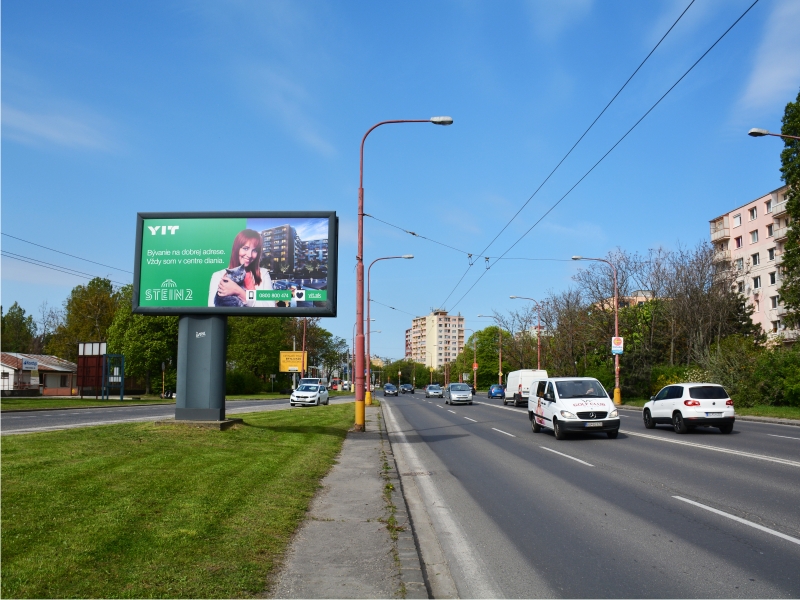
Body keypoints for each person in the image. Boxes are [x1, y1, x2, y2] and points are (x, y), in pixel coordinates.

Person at [208, 229, 276, 308]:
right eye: (245, 248)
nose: (249, 255)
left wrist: (239, 292)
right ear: (236, 249)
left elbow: (270, 306)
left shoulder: (263, 274)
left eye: (254, 250)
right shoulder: (218, 276)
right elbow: (213, 310)